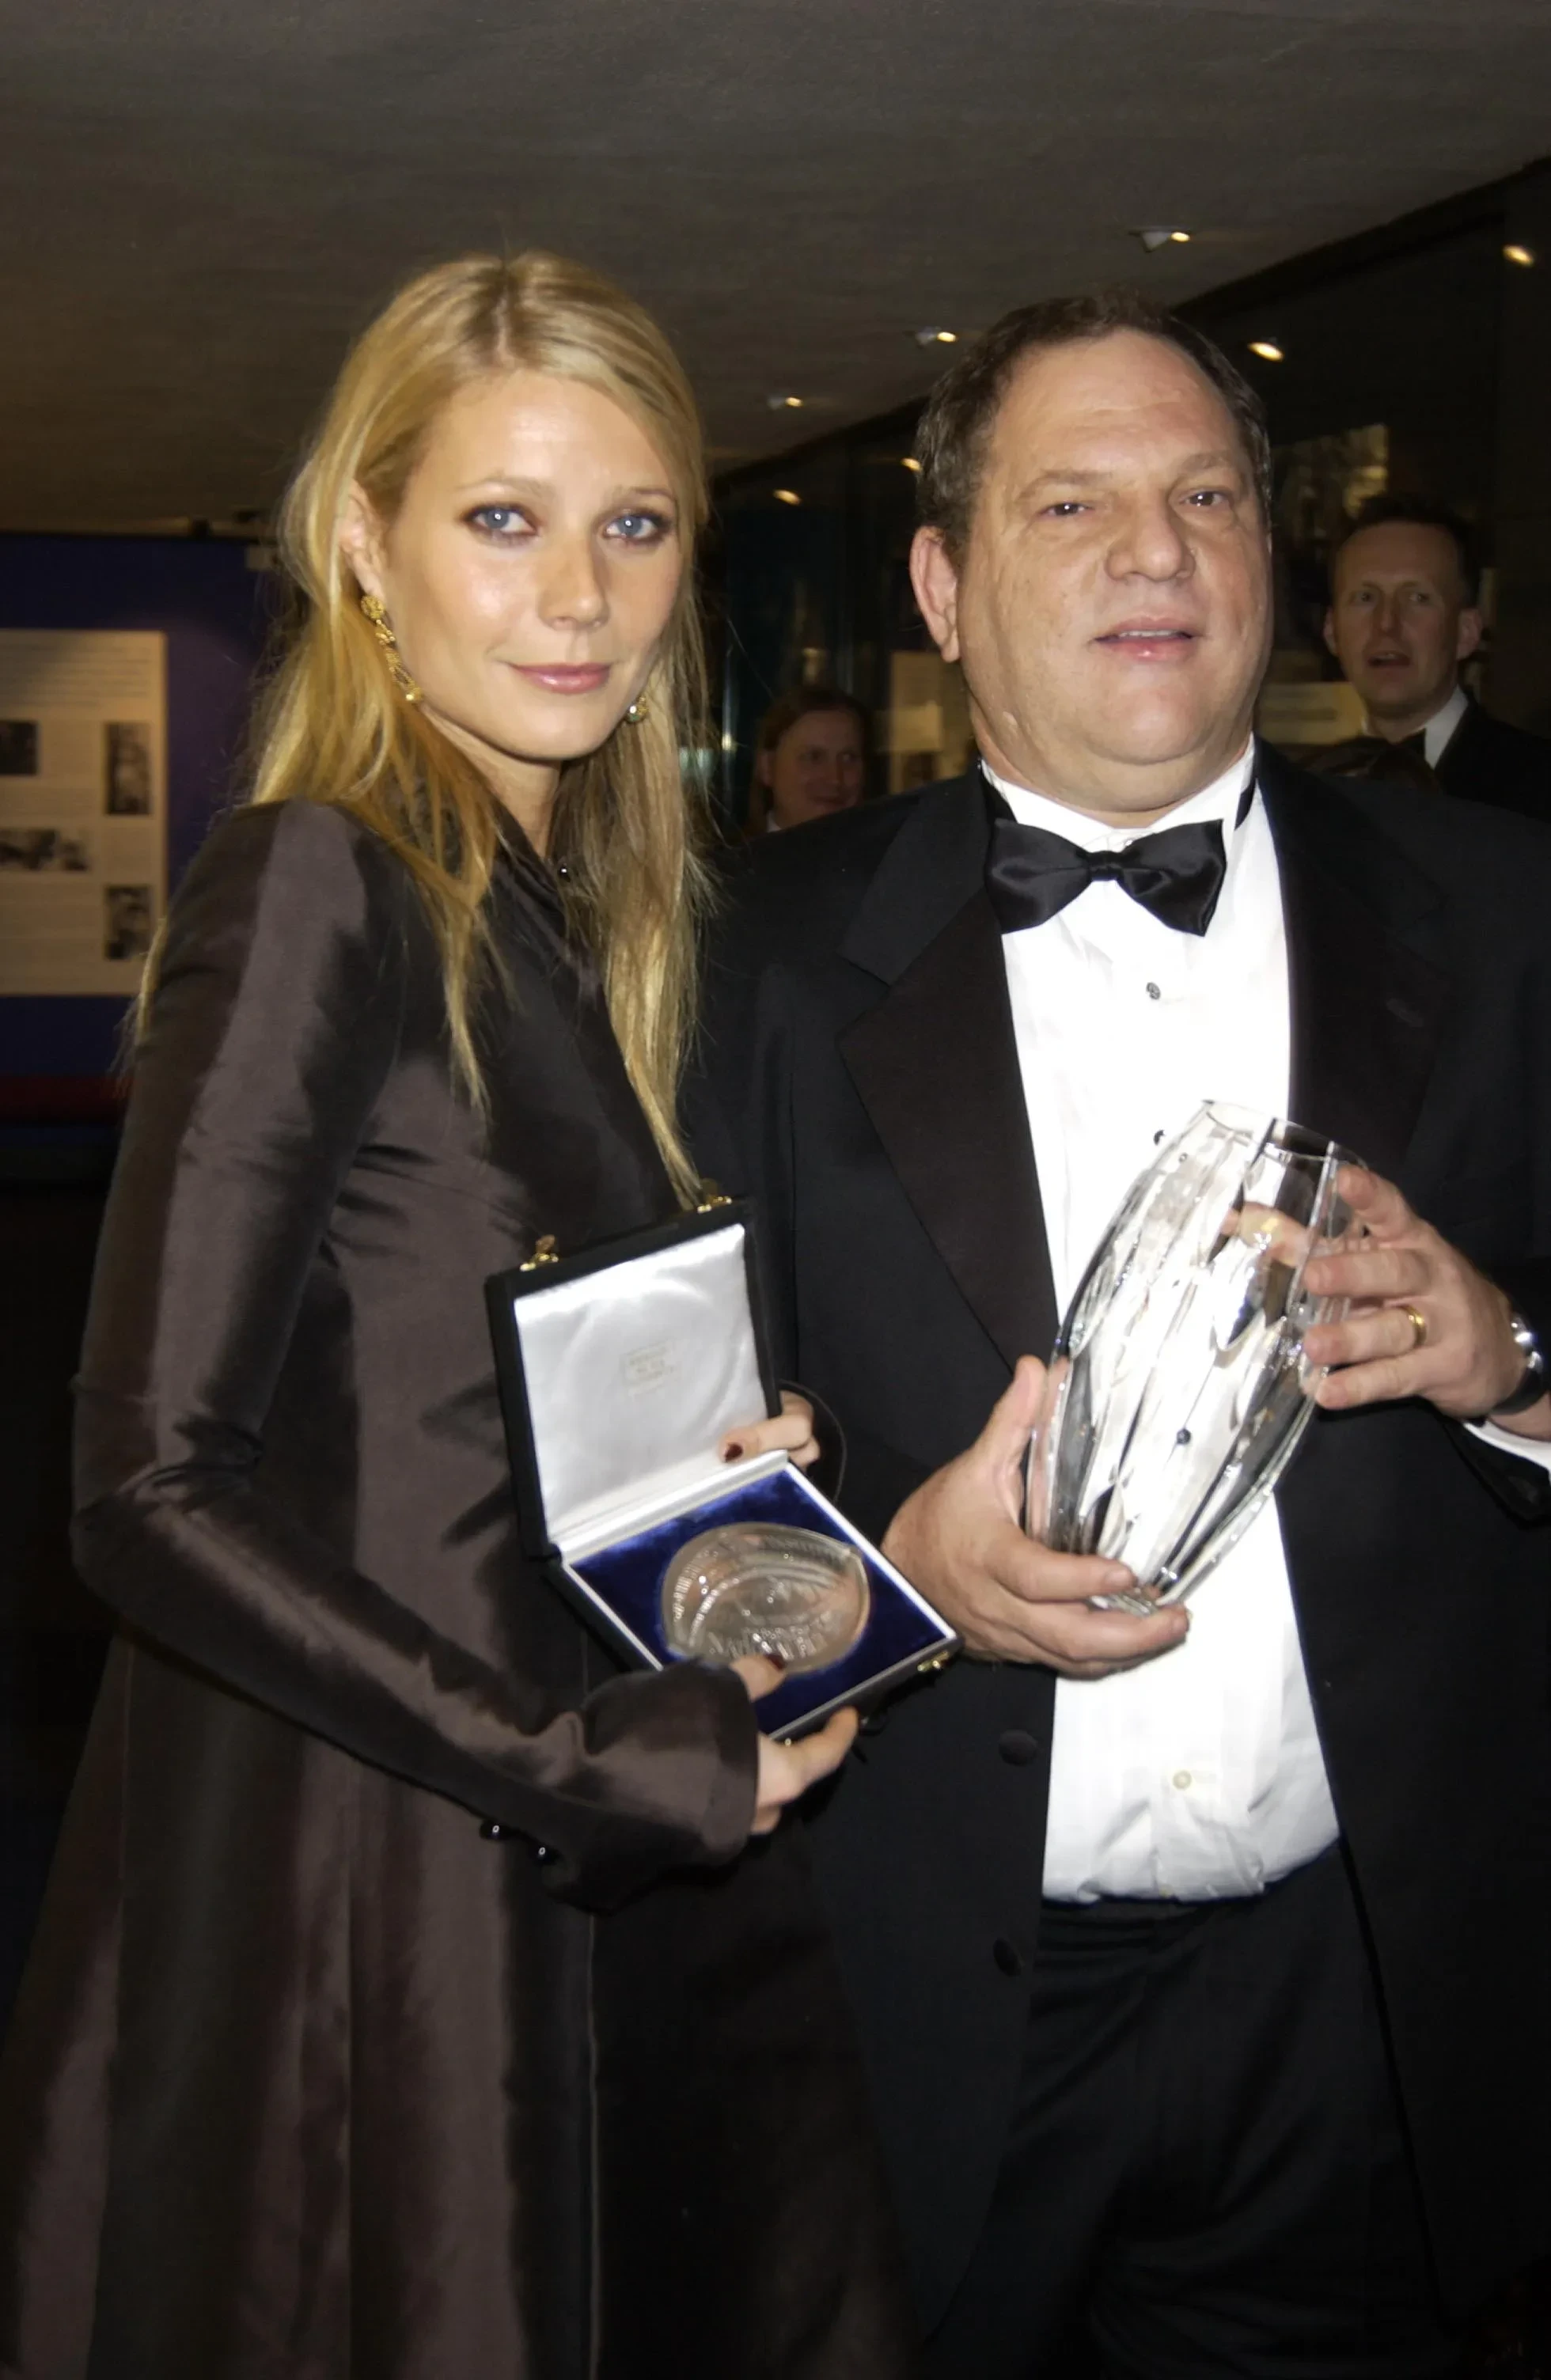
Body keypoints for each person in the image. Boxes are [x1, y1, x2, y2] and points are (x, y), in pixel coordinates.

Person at [0, 252, 917, 2380]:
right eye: (504, 519)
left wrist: (714, 1442)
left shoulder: (576, 909)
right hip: (399, 1857)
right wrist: (582, 1759)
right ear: (365, 544)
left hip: (567, 1823)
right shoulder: (321, 878)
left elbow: (446, 1381)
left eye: (635, 524)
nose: (579, 595)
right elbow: (142, 1487)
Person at [692, 287, 1551, 2378]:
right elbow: (625, 1497)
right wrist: (891, 1581)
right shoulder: (743, 965)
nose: (1152, 551)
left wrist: (1514, 1365)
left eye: (1203, 499)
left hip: (1361, 2011)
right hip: (910, 1999)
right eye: (1069, 502)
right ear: (942, 589)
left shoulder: (1508, 911)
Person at [1324, 495, 1551, 822]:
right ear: (1332, 631)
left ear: (1466, 632)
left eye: (1418, 598)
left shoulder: (1539, 786)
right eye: (1365, 597)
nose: (1386, 623)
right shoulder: (1305, 793)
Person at [749, 682, 868, 832]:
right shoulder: (735, 847)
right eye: (814, 757)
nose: (835, 779)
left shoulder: (886, 846)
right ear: (767, 767)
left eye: (849, 758)